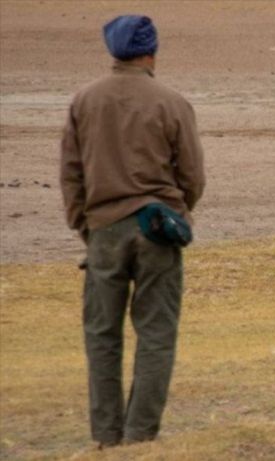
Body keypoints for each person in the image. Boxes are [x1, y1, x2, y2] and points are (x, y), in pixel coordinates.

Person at [60, 14, 205, 448]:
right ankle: (141, 435)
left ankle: (107, 437)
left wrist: (86, 226)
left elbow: (71, 174)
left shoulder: (84, 100)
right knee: (156, 331)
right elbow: (192, 176)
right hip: (158, 227)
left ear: (114, 50)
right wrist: (177, 213)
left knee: (101, 334)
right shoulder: (172, 102)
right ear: (151, 52)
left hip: (103, 228)